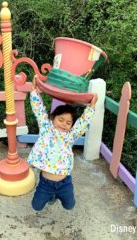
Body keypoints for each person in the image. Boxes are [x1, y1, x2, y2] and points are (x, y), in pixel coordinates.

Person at [28, 75, 98, 211]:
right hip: (45, 183)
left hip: (65, 183)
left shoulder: (70, 136)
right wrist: (34, 92)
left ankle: (58, 196)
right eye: (61, 120)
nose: (64, 124)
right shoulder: (46, 128)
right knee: (36, 206)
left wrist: (91, 107)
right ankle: (52, 197)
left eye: (68, 123)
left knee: (69, 206)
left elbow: (82, 124)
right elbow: (39, 111)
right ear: (53, 118)